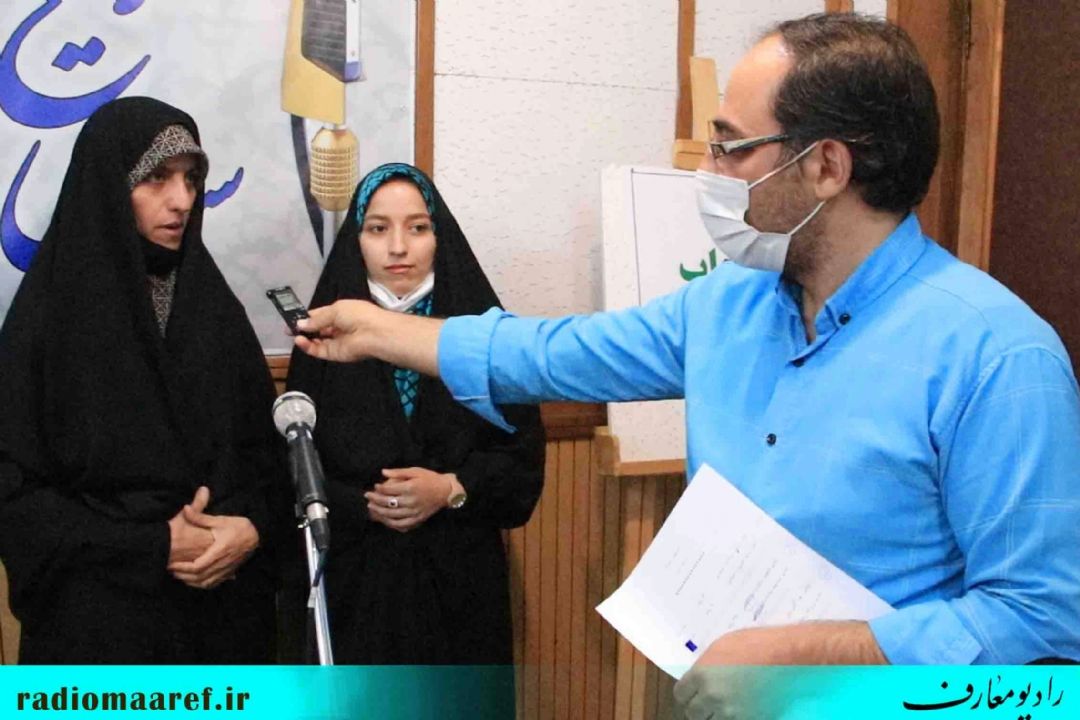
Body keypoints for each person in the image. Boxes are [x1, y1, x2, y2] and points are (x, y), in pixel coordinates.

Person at [294, 6, 1079, 686]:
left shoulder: (998, 358)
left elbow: (1039, 624)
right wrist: (381, 330)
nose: (708, 171)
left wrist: (807, 652)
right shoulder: (730, 303)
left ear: (826, 167)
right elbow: (555, 354)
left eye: (729, 147)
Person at [0, 97, 285, 663]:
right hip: (97, 634)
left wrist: (251, 529)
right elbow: (18, 498)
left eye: (191, 178)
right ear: (110, 186)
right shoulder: (49, 322)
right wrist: (150, 545)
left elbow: (269, 465)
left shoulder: (213, 311)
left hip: (222, 624)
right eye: (156, 178)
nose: (182, 200)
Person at [285, 163, 544, 675]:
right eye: (378, 228)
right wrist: (361, 504)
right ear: (356, 240)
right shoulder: (322, 337)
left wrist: (450, 488)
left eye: (418, 228)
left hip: (459, 580)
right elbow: (290, 467)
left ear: (439, 236)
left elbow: (522, 465)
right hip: (355, 582)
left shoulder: (482, 331)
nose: (398, 247)